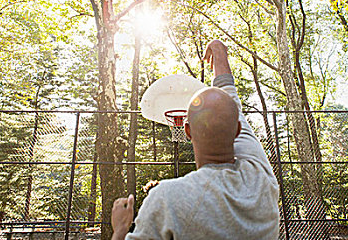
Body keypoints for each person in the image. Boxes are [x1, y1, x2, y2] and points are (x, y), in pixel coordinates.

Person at [111, 40, 279, 239]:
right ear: (237, 131)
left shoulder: (168, 200)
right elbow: (230, 96)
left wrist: (121, 229)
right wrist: (218, 50)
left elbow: (230, 97)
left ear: (187, 131)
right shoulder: (260, 177)